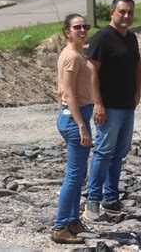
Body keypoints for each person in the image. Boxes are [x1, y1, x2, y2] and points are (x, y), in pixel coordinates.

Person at [83, 0, 141, 221]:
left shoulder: (131, 38)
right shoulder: (103, 37)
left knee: (119, 153)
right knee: (104, 152)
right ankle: (93, 200)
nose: (126, 16)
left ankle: (111, 197)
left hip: (128, 106)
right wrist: (98, 103)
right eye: (122, 12)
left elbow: (137, 65)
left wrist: (137, 92)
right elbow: (91, 71)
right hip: (109, 107)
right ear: (112, 13)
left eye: (129, 12)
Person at [52, 14, 94, 244]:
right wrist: (82, 127)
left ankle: (72, 221)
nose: (82, 30)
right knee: (74, 175)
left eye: (85, 26)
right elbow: (68, 95)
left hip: (80, 115)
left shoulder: (78, 54)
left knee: (79, 175)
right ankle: (60, 227)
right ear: (67, 31)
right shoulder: (71, 57)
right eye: (77, 27)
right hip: (74, 118)